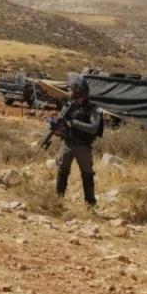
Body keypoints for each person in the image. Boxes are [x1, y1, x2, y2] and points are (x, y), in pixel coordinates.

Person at [55, 76, 102, 206]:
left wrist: (75, 123)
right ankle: (57, 202)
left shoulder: (92, 108)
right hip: (67, 144)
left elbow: (94, 128)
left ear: (78, 91)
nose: (69, 92)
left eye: (71, 89)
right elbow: (61, 121)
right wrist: (58, 128)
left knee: (87, 175)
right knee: (62, 172)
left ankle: (90, 205)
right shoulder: (69, 105)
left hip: (83, 147)